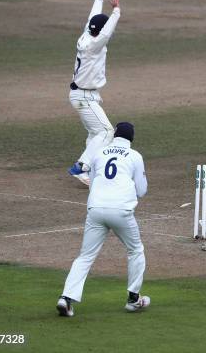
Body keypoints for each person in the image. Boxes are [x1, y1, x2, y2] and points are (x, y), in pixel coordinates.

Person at [57, 122, 149, 317]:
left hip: (96, 209)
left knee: (85, 256)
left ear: (114, 135)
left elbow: (92, 182)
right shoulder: (135, 156)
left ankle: (66, 298)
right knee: (136, 250)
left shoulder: (99, 153)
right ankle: (133, 299)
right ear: (131, 138)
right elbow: (142, 191)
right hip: (121, 211)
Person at [67, 0, 121, 186]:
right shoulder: (95, 46)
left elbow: (93, 19)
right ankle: (81, 166)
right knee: (107, 131)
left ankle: (88, 171)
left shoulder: (87, 34)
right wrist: (116, 12)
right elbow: (106, 32)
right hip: (83, 96)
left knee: (94, 132)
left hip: (86, 94)